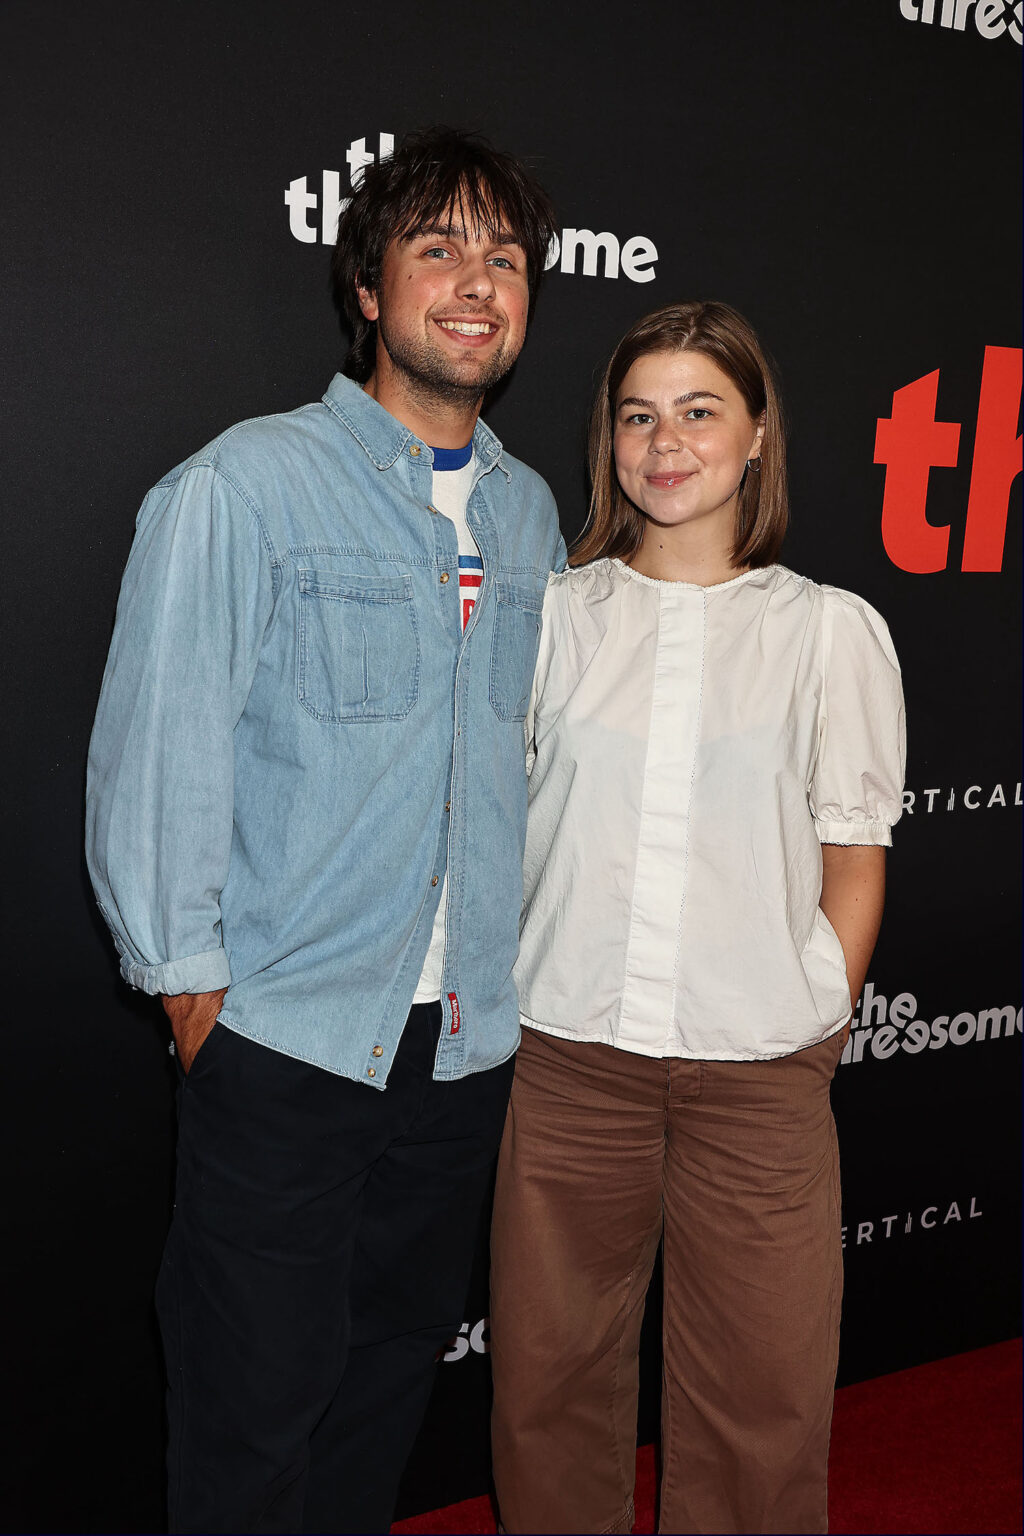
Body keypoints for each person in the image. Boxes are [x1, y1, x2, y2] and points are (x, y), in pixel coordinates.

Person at [85, 127, 563, 1535]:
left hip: (463, 1049)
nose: (476, 284)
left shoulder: (532, 513)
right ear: (368, 286)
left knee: (381, 1393)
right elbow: (157, 754)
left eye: (505, 258)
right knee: (250, 1414)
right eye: (438, 248)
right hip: (288, 1045)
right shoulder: (244, 485)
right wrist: (194, 1000)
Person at [489, 301, 906, 1535]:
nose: (664, 443)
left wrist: (817, 1010)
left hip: (758, 1074)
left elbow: (854, 854)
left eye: (698, 411)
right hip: (570, 1063)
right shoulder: (552, 618)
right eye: (638, 416)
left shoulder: (825, 631)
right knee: (548, 1388)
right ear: (608, 441)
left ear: (757, 433)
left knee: (762, 1400)